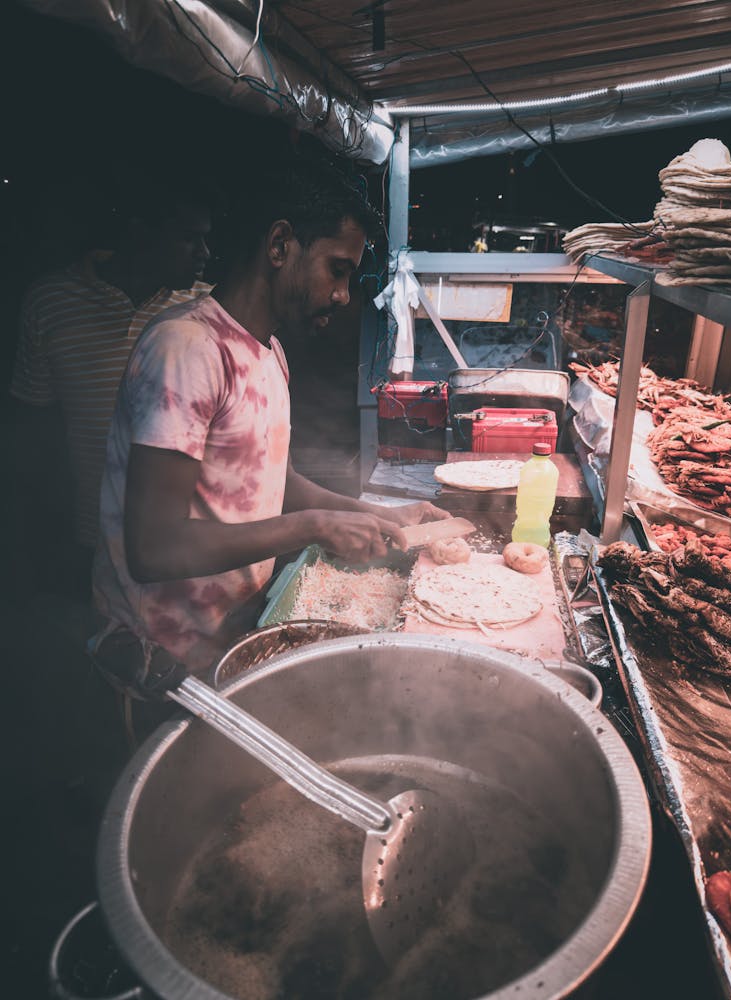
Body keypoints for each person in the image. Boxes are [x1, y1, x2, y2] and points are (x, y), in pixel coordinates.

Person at [90, 159, 447, 688]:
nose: (344, 295)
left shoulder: (270, 351)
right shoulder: (186, 348)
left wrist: (376, 514)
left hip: (229, 633)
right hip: (157, 657)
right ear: (280, 245)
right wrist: (314, 527)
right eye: (338, 269)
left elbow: (266, 482)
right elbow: (153, 548)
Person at [10, 172, 213, 596]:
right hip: (87, 536)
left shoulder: (206, 308)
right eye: (189, 238)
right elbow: (36, 428)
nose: (205, 253)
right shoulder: (50, 302)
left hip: (184, 541)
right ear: (140, 231)